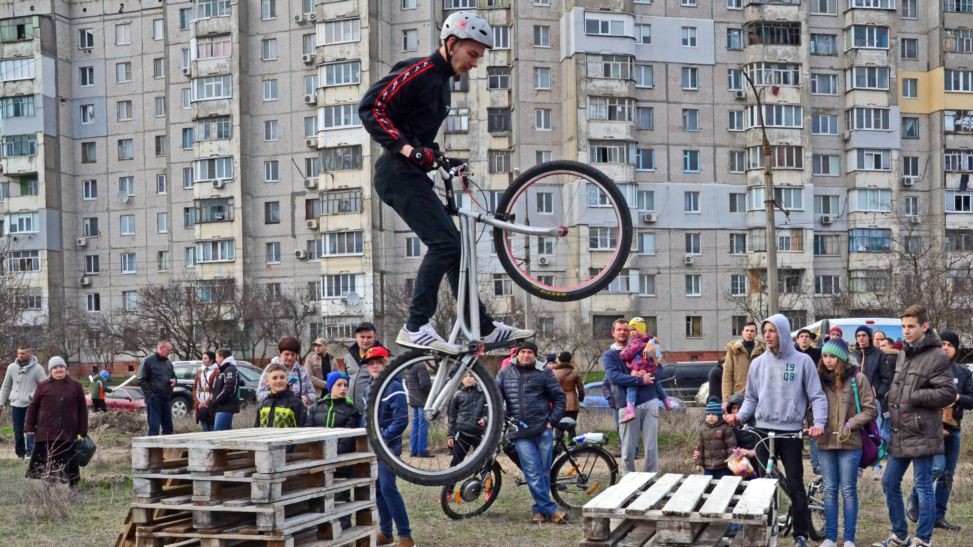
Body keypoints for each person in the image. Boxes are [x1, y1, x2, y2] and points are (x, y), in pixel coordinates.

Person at [359, 10, 531, 354]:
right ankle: (416, 324)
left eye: (479, 58)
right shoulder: (420, 71)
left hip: (412, 174)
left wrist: (438, 157)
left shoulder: (442, 87)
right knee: (444, 244)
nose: (475, 64)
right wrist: (408, 149)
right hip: (396, 173)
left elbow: (419, 134)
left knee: (456, 248)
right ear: (452, 43)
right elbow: (371, 107)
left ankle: (480, 325)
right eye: (472, 54)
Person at [725, 314, 827, 547]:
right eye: (766, 331)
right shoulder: (759, 363)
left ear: (782, 332)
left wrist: (818, 423)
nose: (768, 335)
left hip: (789, 432)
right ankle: (766, 529)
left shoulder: (802, 361)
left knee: (794, 483)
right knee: (762, 482)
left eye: (772, 331)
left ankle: (800, 534)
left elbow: (817, 396)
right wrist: (740, 416)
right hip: (761, 431)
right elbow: (751, 397)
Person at [877, 305, 956, 547]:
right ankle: (900, 536)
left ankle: (923, 539)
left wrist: (916, 396)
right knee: (889, 482)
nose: (906, 331)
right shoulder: (903, 353)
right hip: (900, 431)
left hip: (923, 431)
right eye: (903, 326)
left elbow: (948, 392)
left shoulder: (937, 356)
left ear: (924, 327)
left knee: (923, 485)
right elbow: (898, 388)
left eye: (911, 326)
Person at [905, 330, 973, 532]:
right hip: (931, 427)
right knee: (936, 468)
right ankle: (915, 497)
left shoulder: (964, 373)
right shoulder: (927, 369)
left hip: (953, 428)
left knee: (947, 475)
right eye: (942, 343)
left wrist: (958, 398)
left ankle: (939, 516)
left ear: (955, 349)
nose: (945, 347)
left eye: (950, 345)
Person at [815, 338, 878, 547]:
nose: (828, 360)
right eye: (825, 356)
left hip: (850, 442)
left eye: (832, 356)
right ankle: (831, 537)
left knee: (848, 490)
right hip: (824, 442)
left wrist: (851, 423)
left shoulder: (857, 379)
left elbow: (871, 409)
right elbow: (810, 404)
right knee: (830, 489)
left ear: (841, 357)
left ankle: (849, 537)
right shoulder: (819, 379)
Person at [496, 341, 567, 524]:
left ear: (535, 355)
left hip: (543, 429)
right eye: (523, 352)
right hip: (520, 432)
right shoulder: (505, 372)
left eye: (530, 352)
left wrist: (552, 421)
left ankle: (538, 510)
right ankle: (551, 510)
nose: (526, 355)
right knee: (533, 472)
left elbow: (559, 398)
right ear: (517, 354)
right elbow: (495, 398)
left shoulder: (544, 372)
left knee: (543, 472)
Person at [361, 346, 414, 547]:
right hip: (372, 448)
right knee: (377, 491)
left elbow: (401, 421)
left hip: (388, 449)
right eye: (371, 363)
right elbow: (366, 419)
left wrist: (381, 438)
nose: (375, 366)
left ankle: (406, 536)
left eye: (379, 362)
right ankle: (386, 532)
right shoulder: (369, 389)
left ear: (386, 364)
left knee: (388, 488)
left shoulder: (394, 387)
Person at [604, 319, 661, 473]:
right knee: (628, 449)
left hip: (649, 400)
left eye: (625, 329)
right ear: (613, 333)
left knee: (651, 448)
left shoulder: (644, 346)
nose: (623, 332)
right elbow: (614, 377)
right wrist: (639, 379)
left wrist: (649, 372)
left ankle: (651, 482)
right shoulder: (610, 355)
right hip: (627, 404)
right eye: (619, 330)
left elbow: (659, 369)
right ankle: (628, 484)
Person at [308, 371, 361, 530]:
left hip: (342, 464)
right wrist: (317, 454)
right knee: (319, 498)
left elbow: (347, 438)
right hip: (318, 462)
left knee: (340, 498)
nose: (343, 388)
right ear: (330, 387)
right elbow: (307, 431)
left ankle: (343, 531)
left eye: (345, 385)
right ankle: (320, 531)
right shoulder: (315, 407)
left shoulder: (352, 410)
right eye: (339, 385)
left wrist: (332, 454)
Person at [24, 357, 87, 488]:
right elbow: (33, 407)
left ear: (66, 369)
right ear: (51, 370)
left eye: (61, 367)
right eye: (55, 367)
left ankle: (72, 486)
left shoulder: (76, 386)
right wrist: (29, 425)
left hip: (68, 430)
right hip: (47, 430)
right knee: (49, 459)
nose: (59, 370)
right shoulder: (43, 386)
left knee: (70, 459)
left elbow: (82, 409)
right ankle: (50, 488)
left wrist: (82, 429)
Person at [619, 317, 670, 424]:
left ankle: (630, 410)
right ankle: (666, 401)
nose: (631, 332)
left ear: (640, 330)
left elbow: (627, 354)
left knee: (632, 387)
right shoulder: (649, 340)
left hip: (639, 367)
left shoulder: (636, 342)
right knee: (657, 383)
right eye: (630, 330)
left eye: (634, 329)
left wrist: (622, 353)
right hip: (650, 367)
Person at [0, 346, 46, 459]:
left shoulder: (38, 369)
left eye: (24, 353)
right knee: (17, 431)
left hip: (31, 404)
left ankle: (31, 454)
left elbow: (44, 387)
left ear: (30, 354)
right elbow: (6, 386)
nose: (21, 355)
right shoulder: (11, 367)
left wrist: (33, 396)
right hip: (15, 403)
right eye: (19, 353)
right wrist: (1, 402)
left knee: (30, 430)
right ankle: (20, 454)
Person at [257, 336, 317, 407]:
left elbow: (313, 394)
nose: (290, 357)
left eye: (293, 354)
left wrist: (307, 398)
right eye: (287, 354)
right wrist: (276, 398)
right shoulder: (270, 370)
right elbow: (260, 394)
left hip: (298, 413)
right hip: (277, 413)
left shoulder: (302, 371)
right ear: (280, 352)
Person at [721, 321, 765, 411]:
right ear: (742, 333)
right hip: (738, 395)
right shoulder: (734, 351)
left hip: (758, 395)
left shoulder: (762, 351)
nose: (749, 333)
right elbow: (727, 376)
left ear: (756, 334)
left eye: (752, 331)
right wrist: (726, 399)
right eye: (747, 330)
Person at [447, 371, 487, 467]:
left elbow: (490, 410)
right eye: (465, 376)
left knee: (484, 462)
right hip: (462, 434)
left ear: (476, 378)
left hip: (479, 433)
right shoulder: (457, 394)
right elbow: (452, 416)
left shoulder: (483, 393)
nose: (468, 378)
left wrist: (486, 419)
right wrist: (450, 435)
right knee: (456, 462)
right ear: (461, 379)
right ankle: (449, 482)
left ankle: (486, 481)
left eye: (471, 376)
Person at [137, 340, 177, 436]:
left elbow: (173, 375)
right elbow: (141, 379)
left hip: (166, 398)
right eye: (168, 350)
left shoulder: (168, 363)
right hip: (154, 398)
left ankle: (168, 448)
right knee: (154, 426)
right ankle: (153, 449)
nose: (170, 352)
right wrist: (151, 395)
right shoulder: (148, 361)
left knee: (168, 427)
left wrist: (174, 380)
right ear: (161, 348)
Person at [254, 363, 306, 428]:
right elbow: (257, 428)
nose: (278, 381)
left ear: (287, 380)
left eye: (282, 377)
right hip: (266, 438)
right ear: (267, 381)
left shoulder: (296, 403)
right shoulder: (263, 404)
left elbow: (303, 430)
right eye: (274, 378)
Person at [694, 400, 737, 478]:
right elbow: (699, 448)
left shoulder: (725, 428)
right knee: (708, 487)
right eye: (708, 414)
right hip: (708, 467)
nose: (710, 417)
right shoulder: (702, 430)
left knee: (723, 486)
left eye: (713, 414)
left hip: (723, 466)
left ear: (719, 415)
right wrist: (698, 463)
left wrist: (730, 461)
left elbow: (731, 446)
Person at [855, 326, 892, 410]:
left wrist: (878, 395)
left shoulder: (879, 354)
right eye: (858, 335)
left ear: (869, 337)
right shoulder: (852, 355)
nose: (861, 338)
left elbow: (886, 378)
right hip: (855, 399)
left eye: (864, 335)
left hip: (874, 400)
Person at [551, 351, 585, 439]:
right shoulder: (575, 372)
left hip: (558, 403)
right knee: (571, 427)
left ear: (559, 360)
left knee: (558, 427)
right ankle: (572, 448)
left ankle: (558, 447)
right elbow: (580, 389)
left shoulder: (553, 372)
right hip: (572, 403)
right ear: (570, 359)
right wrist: (581, 398)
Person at [404, 360, 431, 458]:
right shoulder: (420, 365)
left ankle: (413, 450)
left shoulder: (408, 366)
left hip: (413, 399)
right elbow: (425, 384)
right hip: (423, 400)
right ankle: (422, 451)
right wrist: (432, 393)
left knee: (415, 425)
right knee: (423, 425)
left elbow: (407, 384)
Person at [209, 348, 240, 431]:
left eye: (216, 357)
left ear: (221, 358)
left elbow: (229, 388)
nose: (215, 360)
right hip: (221, 407)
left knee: (219, 432)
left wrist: (216, 400)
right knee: (225, 432)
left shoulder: (230, 369)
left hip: (226, 406)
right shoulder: (223, 370)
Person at [192, 351, 219, 432]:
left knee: (212, 425)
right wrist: (198, 403)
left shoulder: (216, 371)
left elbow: (215, 389)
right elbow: (195, 388)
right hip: (200, 403)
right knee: (204, 426)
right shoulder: (200, 371)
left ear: (211, 360)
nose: (203, 360)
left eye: (205, 358)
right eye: (202, 358)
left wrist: (206, 403)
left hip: (211, 403)